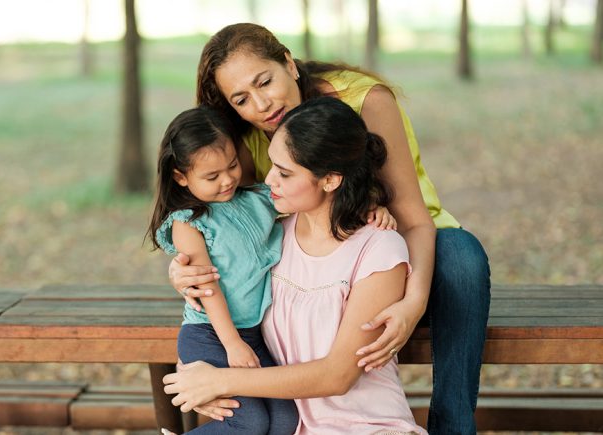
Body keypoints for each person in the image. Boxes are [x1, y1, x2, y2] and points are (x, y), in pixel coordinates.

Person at [168, 23, 491, 435]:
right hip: (312, 253)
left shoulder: (366, 100)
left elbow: (413, 218)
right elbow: (224, 225)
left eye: (265, 82)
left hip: (404, 240)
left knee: (462, 256)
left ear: (289, 62)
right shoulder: (245, 137)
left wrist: (412, 304)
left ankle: (455, 425)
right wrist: (185, 269)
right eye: (241, 99)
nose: (262, 105)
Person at [164, 96, 428, 435]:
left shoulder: (379, 249)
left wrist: (217, 381)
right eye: (272, 164)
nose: (269, 179)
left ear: (331, 180)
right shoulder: (272, 239)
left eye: (285, 173)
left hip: (367, 426)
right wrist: (196, 378)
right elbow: (220, 312)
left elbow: (338, 375)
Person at [147, 105, 300, 434]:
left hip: (254, 335)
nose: (228, 179)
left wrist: (370, 208)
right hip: (209, 335)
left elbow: (309, 201)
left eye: (231, 166)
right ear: (181, 177)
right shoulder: (188, 223)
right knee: (250, 422)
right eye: (211, 176)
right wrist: (231, 343)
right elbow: (207, 285)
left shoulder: (259, 200)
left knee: (287, 420)